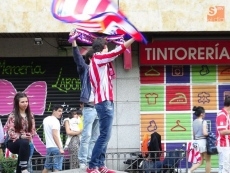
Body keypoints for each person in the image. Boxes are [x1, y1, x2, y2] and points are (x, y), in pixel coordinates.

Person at [87, 37, 135, 173]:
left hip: (104, 101)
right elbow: (116, 52)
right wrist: (131, 39)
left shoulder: (96, 61)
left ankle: (100, 165)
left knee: (105, 136)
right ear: (103, 48)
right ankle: (92, 166)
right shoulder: (98, 58)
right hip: (104, 101)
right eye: (106, 46)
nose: (108, 48)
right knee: (104, 136)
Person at [71, 30, 99, 169]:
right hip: (89, 107)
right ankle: (83, 161)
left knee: (95, 137)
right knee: (87, 136)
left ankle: (90, 160)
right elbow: (78, 59)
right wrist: (74, 43)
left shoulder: (102, 70)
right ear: (90, 58)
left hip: (100, 107)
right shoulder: (85, 69)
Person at [3, 92, 36, 173]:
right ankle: (24, 168)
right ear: (17, 103)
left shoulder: (30, 115)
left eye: (26, 101)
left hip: (26, 143)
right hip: (12, 142)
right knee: (24, 142)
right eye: (22, 102)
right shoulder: (13, 115)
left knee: (21, 164)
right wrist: (21, 136)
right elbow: (10, 132)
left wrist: (29, 135)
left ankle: (22, 169)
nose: (25, 104)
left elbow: (33, 130)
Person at [42, 104, 64, 173]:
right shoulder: (55, 121)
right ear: (54, 111)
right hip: (56, 147)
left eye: (61, 111)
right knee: (57, 169)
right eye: (59, 111)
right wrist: (60, 148)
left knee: (46, 167)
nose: (61, 113)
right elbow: (55, 134)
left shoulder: (45, 119)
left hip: (49, 147)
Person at [189, 106, 210, 173]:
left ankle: (190, 170)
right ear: (201, 114)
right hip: (203, 142)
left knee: (200, 161)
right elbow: (204, 133)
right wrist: (208, 133)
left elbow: (194, 134)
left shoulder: (194, 122)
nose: (205, 114)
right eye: (204, 113)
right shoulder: (203, 122)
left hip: (196, 142)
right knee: (208, 160)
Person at [216, 96, 230, 173]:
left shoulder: (226, 115)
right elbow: (222, 131)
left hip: (226, 145)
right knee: (225, 168)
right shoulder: (222, 115)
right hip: (223, 145)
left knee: (226, 167)